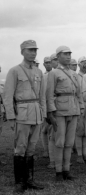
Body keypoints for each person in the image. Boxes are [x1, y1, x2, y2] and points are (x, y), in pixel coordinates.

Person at [3, 40, 46, 193]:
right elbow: (7, 95)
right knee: (20, 148)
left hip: (36, 114)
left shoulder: (39, 72)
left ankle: (29, 179)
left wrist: (43, 113)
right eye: (29, 50)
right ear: (22, 52)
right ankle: (19, 182)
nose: (33, 53)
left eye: (35, 50)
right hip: (22, 114)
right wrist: (11, 117)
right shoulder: (15, 71)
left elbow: (42, 96)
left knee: (32, 148)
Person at [46, 46, 83, 181]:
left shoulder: (74, 73)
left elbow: (78, 94)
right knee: (59, 142)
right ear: (58, 56)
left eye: (69, 54)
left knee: (69, 142)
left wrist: (81, 108)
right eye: (65, 54)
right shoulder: (54, 73)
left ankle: (66, 170)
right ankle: (58, 171)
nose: (68, 57)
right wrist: (50, 112)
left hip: (73, 109)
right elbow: (49, 94)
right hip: (60, 110)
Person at [75, 56, 86, 163]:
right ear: (79, 65)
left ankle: (85, 153)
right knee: (79, 131)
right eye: (83, 62)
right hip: (80, 105)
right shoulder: (76, 76)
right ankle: (79, 155)